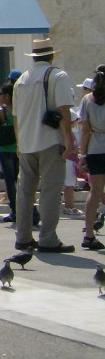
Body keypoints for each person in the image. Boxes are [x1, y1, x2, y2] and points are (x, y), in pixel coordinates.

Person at [12, 38, 75, 253]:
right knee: (50, 190)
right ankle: (48, 238)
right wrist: (69, 142)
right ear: (51, 56)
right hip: (49, 141)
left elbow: (16, 117)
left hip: (26, 142)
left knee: (25, 192)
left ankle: (23, 237)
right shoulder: (58, 76)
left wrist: (20, 143)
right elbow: (64, 112)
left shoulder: (21, 79)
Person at [77, 68, 105, 250]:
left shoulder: (87, 100)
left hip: (95, 148)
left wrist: (82, 154)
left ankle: (89, 234)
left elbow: (85, 130)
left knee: (94, 192)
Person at [0, 83, 19, 223]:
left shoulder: (0, 111)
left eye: (1, 94)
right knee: (20, 181)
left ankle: (14, 211)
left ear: (7, 96)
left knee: (10, 182)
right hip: (19, 148)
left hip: (5, 149)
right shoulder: (19, 109)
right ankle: (23, 209)